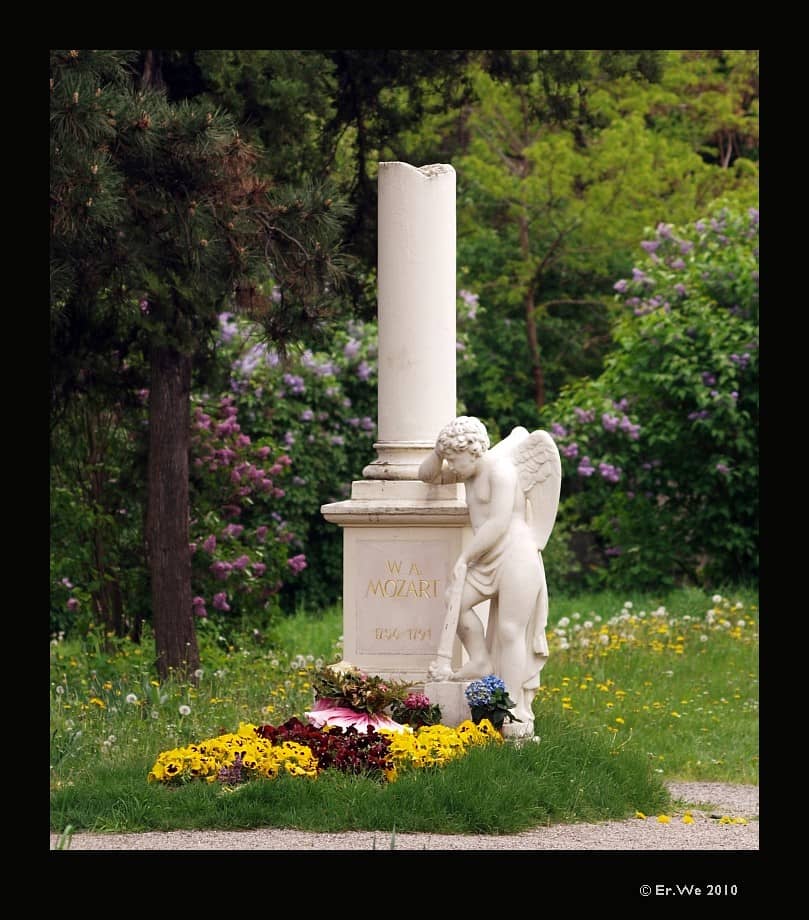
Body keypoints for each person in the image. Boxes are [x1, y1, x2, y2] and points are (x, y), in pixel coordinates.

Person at [418, 416, 560, 736]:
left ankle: (510, 711)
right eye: (450, 461)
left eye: (455, 460)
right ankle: (480, 660)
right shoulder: (466, 470)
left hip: (516, 555)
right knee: (456, 604)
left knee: (511, 631)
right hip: (488, 558)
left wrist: (464, 558)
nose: (451, 468)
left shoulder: (501, 470)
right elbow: (425, 475)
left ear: (473, 452)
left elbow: (497, 523)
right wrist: (440, 451)